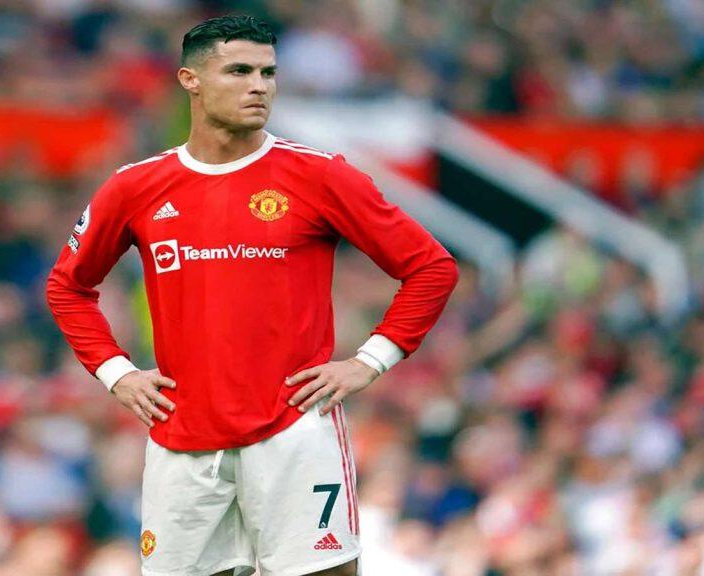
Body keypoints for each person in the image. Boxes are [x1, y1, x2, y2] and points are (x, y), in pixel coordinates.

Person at [45, 15, 459, 576]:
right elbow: (68, 286)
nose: (259, 84)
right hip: (182, 437)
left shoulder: (319, 175)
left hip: (294, 429)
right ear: (190, 79)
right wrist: (116, 372)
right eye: (239, 70)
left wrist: (370, 361)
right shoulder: (136, 186)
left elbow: (431, 267)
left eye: (268, 72)